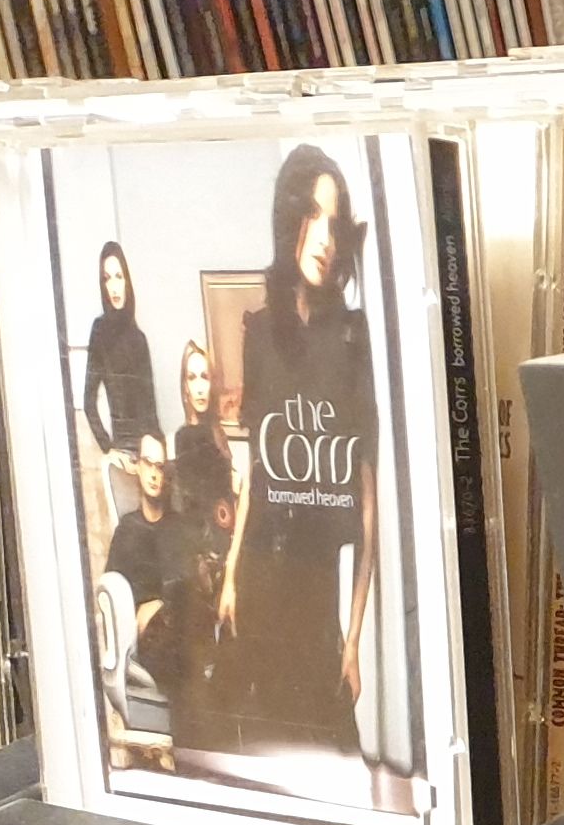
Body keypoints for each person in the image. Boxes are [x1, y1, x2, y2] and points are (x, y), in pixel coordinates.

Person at [213, 148, 378, 757]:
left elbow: (368, 508)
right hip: (258, 580)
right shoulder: (260, 332)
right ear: (289, 220)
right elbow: (255, 475)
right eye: (312, 215)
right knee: (260, 746)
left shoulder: (352, 338)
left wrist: (353, 641)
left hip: (315, 598)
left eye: (335, 222)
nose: (325, 238)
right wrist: (231, 576)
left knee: (329, 750)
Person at [102, 435, 199, 709]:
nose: (155, 474)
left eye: (160, 467)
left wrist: (160, 603)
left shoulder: (179, 527)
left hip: (183, 621)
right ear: (138, 467)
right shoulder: (128, 530)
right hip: (152, 637)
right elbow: (112, 584)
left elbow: (189, 584)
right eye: (148, 464)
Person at [79, 243, 158, 455]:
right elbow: (88, 401)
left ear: (126, 281)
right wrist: (108, 447)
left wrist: (158, 450)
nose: (114, 287)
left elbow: (151, 410)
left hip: (147, 451)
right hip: (122, 449)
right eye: (107, 278)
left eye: (118, 276)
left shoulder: (139, 339)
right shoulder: (100, 331)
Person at [169, 340, 232, 557]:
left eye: (205, 377)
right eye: (192, 377)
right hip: (206, 552)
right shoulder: (185, 437)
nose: (199, 387)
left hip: (226, 541)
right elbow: (192, 512)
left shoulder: (217, 432)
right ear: (185, 387)